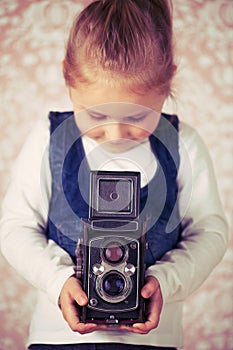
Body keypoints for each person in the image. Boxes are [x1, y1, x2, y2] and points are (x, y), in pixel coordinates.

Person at [0, 1, 228, 350]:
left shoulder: (183, 145)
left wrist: (165, 281)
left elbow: (209, 232)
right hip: (56, 339)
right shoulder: (50, 139)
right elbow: (15, 227)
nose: (116, 133)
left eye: (137, 118)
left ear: (166, 88)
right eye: (95, 116)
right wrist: (57, 280)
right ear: (67, 78)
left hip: (153, 341)